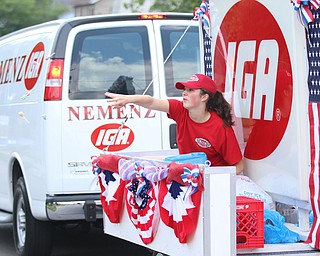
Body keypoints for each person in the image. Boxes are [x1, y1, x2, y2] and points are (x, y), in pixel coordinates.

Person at [105, 73, 244, 174]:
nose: (184, 93)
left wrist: (213, 180)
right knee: (143, 162)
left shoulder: (219, 127)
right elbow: (152, 101)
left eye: (190, 90)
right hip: (188, 177)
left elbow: (238, 165)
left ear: (204, 97)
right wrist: (129, 99)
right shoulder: (180, 110)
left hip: (210, 182)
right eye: (184, 89)